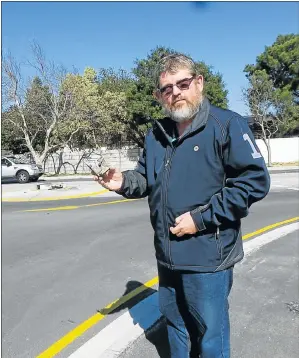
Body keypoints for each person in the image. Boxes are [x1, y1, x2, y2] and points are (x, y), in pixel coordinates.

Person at [96, 53, 270, 358]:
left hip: (208, 258)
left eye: (183, 84)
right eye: (167, 88)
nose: (175, 92)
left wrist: (200, 219)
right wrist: (124, 182)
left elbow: (254, 182)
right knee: (175, 327)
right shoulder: (156, 134)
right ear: (159, 95)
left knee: (209, 337)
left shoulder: (226, 124)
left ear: (198, 83)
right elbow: (145, 179)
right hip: (167, 257)